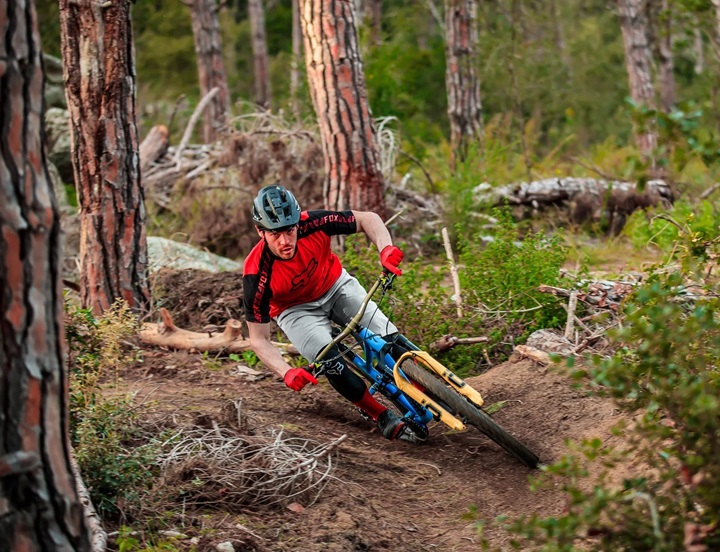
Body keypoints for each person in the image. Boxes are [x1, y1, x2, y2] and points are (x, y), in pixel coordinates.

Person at [243, 184, 413, 441]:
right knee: (328, 360)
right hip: (295, 310)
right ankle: (379, 414)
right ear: (260, 231)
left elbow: (368, 219)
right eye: (274, 234)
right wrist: (286, 371)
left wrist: (385, 248)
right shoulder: (256, 274)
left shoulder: (313, 222)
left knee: (387, 334)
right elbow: (258, 338)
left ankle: (430, 387)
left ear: (297, 222)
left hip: (334, 285)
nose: (285, 241)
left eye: (289, 230)